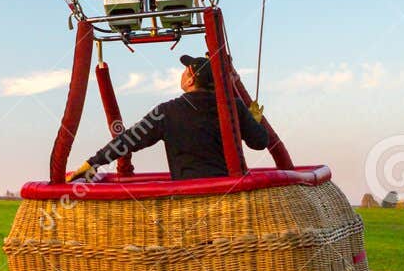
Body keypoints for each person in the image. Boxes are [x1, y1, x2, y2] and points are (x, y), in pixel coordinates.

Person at [68, 55, 269, 181]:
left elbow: (128, 140)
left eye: (184, 70)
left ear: (191, 77)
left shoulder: (168, 111)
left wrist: (92, 163)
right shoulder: (233, 107)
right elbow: (260, 142)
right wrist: (252, 119)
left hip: (188, 198)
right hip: (229, 198)